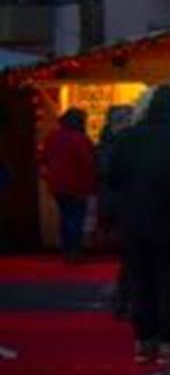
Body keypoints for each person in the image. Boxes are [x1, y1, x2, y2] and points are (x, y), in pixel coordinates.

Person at [107, 85, 170, 363]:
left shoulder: (128, 139)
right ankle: (169, 340)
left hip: (134, 219)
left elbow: (113, 178)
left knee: (140, 279)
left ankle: (144, 339)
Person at [40, 108, 97, 262]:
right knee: (76, 218)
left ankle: (67, 249)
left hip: (58, 184)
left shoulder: (53, 137)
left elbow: (44, 159)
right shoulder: (80, 139)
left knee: (66, 216)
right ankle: (74, 250)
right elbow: (88, 163)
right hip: (77, 184)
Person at [96, 105, 136, 316]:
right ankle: (123, 300)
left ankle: (123, 299)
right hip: (121, 205)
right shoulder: (113, 147)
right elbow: (110, 176)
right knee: (131, 256)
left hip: (120, 205)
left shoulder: (109, 145)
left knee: (130, 257)